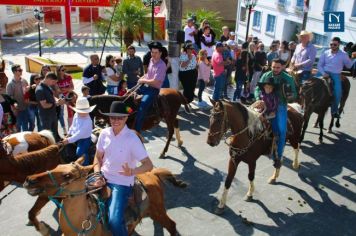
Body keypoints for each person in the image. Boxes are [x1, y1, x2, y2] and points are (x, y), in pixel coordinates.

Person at [93, 101, 153, 236]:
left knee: (114, 221)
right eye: (113, 117)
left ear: (126, 118)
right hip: (102, 177)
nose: (115, 120)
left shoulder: (132, 138)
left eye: (120, 117)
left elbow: (148, 165)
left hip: (121, 183)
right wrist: (98, 175)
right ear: (108, 118)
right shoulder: (104, 133)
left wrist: (132, 171)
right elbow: (97, 158)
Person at [255, 59, 297, 162]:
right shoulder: (266, 75)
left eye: (278, 67)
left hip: (280, 106)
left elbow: (294, 94)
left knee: (282, 131)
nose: (275, 69)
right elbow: (257, 89)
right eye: (273, 67)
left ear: (283, 67)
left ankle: (278, 154)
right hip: (264, 104)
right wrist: (258, 99)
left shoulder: (288, 78)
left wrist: (290, 96)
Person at [317, 37, 353, 118]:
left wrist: (352, 58)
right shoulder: (325, 53)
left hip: (335, 75)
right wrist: (323, 73)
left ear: (339, 45)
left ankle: (334, 111)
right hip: (323, 73)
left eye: (335, 44)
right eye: (331, 44)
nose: (332, 46)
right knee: (309, 84)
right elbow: (319, 65)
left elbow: (349, 65)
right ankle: (304, 104)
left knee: (338, 92)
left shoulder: (343, 54)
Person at [135, 42, 166, 133]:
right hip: (145, 86)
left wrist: (143, 81)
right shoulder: (151, 60)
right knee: (129, 96)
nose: (153, 54)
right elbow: (148, 74)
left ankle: (137, 131)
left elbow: (155, 81)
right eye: (152, 52)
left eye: (156, 52)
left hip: (153, 89)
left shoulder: (162, 65)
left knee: (142, 107)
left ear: (160, 53)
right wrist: (142, 78)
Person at [62, 97, 95, 166]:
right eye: (81, 111)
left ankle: (86, 166)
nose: (83, 113)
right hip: (74, 136)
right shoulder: (76, 115)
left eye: (85, 111)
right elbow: (72, 126)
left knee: (80, 152)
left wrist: (68, 140)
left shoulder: (87, 121)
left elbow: (79, 134)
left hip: (84, 139)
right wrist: (68, 134)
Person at [36, 72, 65, 142]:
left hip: (52, 114)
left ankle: (55, 147)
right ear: (48, 79)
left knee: (54, 133)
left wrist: (58, 100)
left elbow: (52, 96)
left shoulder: (47, 86)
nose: (54, 84)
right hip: (46, 117)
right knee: (47, 136)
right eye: (53, 82)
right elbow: (44, 105)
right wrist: (56, 103)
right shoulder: (40, 90)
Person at [7, 64, 29, 132]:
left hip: (25, 108)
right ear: (14, 72)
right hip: (17, 110)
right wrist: (14, 108)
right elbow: (9, 98)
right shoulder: (10, 84)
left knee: (25, 128)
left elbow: (27, 93)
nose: (21, 71)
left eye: (21, 70)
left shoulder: (24, 81)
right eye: (19, 70)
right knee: (18, 129)